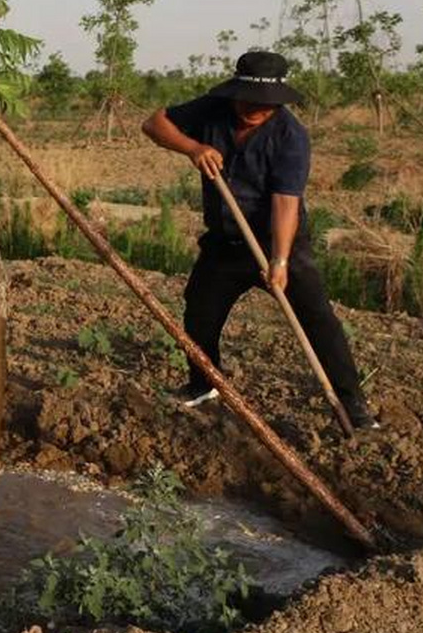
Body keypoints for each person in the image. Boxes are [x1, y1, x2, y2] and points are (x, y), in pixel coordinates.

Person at [141, 49, 377, 431]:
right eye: (249, 99)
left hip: (278, 242)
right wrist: (193, 148)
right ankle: (204, 384)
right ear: (235, 91)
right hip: (225, 242)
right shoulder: (211, 109)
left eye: (265, 104)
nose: (255, 109)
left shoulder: (290, 137)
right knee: (199, 313)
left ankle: (352, 405)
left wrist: (280, 261)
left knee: (318, 320)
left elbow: (286, 203)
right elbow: (154, 125)